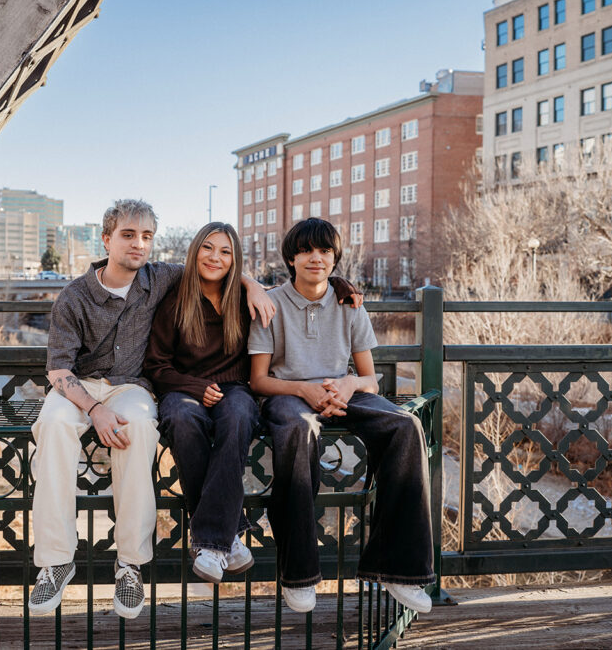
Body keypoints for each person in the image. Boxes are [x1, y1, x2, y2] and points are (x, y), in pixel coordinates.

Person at [28, 200, 274, 619]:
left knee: (141, 425)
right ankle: (55, 562)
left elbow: (216, 266)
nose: (139, 245)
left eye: (146, 237)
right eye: (128, 235)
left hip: (131, 388)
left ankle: (130, 563)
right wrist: (94, 410)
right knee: (51, 425)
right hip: (78, 389)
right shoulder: (73, 297)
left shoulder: (159, 278)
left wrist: (253, 285)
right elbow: (58, 369)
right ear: (106, 239)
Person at [145, 222, 364, 585]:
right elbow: (155, 365)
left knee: (239, 417)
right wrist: (194, 387)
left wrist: (338, 284)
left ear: (236, 261)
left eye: (226, 252)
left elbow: (299, 290)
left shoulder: (244, 299)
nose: (216, 257)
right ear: (194, 251)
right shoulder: (175, 300)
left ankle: (212, 540)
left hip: (235, 388)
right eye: (208, 248)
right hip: (182, 389)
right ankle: (222, 538)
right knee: (183, 419)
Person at [248, 217, 434, 615]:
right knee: (299, 429)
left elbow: (370, 378)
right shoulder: (271, 304)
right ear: (292, 258)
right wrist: (304, 389)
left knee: (406, 426)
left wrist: (347, 386)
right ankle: (298, 574)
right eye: (307, 251)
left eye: (326, 251)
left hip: (341, 391)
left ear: (335, 259)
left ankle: (398, 570)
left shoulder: (350, 304)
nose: (317, 258)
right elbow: (259, 381)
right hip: (288, 396)